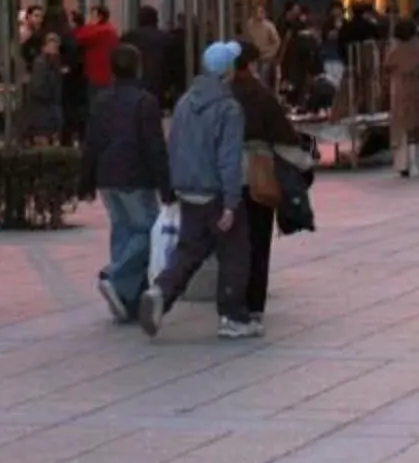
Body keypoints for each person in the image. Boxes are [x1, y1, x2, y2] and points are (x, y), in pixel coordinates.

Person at [140, 42, 255, 342]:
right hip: (216, 191)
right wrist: (231, 201)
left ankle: (161, 292)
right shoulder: (229, 109)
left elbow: (174, 144)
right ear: (228, 72)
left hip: (189, 189)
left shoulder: (185, 102)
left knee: (189, 249)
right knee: (234, 251)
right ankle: (233, 316)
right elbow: (229, 158)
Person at [84, 43, 170, 322]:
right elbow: (154, 146)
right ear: (138, 66)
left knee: (123, 231)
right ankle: (115, 275)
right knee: (147, 231)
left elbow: (93, 141)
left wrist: (86, 177)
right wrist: (166, 184)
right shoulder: (145, 101)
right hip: (135, 176)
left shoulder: (101, 100)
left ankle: (125, 297)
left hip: (107, 176)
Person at [228, 42, 310, 325]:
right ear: (250, 64)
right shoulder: (260, 96)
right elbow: (284, 136)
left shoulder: (219, 95)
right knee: (258, 240)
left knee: (230, 242)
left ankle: (230, 303)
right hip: (256, 173)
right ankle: (253, 306)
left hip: (222, 175)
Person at [382, 19, 419, 176]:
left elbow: (386, 67)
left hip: (399, 89)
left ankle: (402, 164)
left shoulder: (392, 49)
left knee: (401, 128)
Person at [17, 32, 65, 143]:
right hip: (42, 110)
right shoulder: (41, 63)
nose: (54, 50)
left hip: (51, 108)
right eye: (52, 47)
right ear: (44, 48)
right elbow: (39, 87)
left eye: (56, 47)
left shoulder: (54, 63)